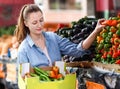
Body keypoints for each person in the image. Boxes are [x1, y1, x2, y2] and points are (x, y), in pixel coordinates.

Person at [15, 4, 105, 67]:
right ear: (26, 23)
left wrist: (96, 31)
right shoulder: (24, 50)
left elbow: (77, 50)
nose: (39, 25)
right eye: (34, 22)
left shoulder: (53, 38)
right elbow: (23, 79)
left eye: (41, 20)